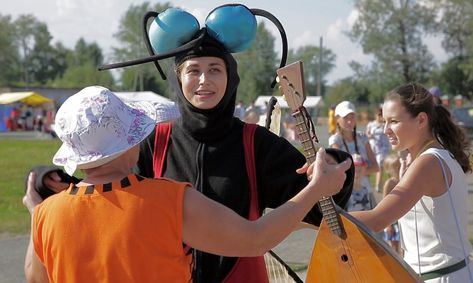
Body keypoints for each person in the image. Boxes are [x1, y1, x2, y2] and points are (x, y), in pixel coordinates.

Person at [34, 6, 354, 283]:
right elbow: (97, 191)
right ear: (177, 78)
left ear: (231, 77)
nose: (204, 80)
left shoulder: (256, 143)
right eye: (193, 71)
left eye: (215, 69)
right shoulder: (153, 142)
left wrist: (333, 165)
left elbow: (318, 205)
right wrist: (48, 181)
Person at [23, 86, 350, 283]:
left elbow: (37, 277)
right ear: (132, 141)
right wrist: (316, 189)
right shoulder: (167, 200)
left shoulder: (45, 214)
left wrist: (40, 216)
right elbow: (255, 240)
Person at [350, 82, 473, 282]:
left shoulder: (429, 163)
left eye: (394, 121)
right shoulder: (432, 158)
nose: (385, 130)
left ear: (421, 120)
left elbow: (378, 219)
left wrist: (313, 212)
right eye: (384, 121)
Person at [329, 100, 379, 208]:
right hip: (347, 193)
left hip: (366, 191)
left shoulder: (362, 137)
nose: (349, 121)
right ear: (337, 119)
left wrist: (360, 171)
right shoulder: (335, 141)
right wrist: (360, 171)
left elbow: (376, 167)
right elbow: (339, 170)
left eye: (352, 117)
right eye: (345, 118)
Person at [366, 106, 391, 192]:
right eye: (378, 115)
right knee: (369, 165)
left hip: (382, 148)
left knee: (380, 165)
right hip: (373, 147)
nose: (380, 116)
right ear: (375, 115)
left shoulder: (385, 125)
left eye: (381, 115)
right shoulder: (371, 124)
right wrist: (370, 136)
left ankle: (378, 185)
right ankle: (367, 184)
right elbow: (367, 134)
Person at [381, 153, 401, 254]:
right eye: (395, 167)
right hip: (392, 220)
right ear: (389, 170)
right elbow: (384, 205)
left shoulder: (404, 180)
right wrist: (387, 224)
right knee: (393, 247)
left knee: (403, 248)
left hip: (402, 218)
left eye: (399, 166)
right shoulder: (390, 183)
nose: (398, 169)